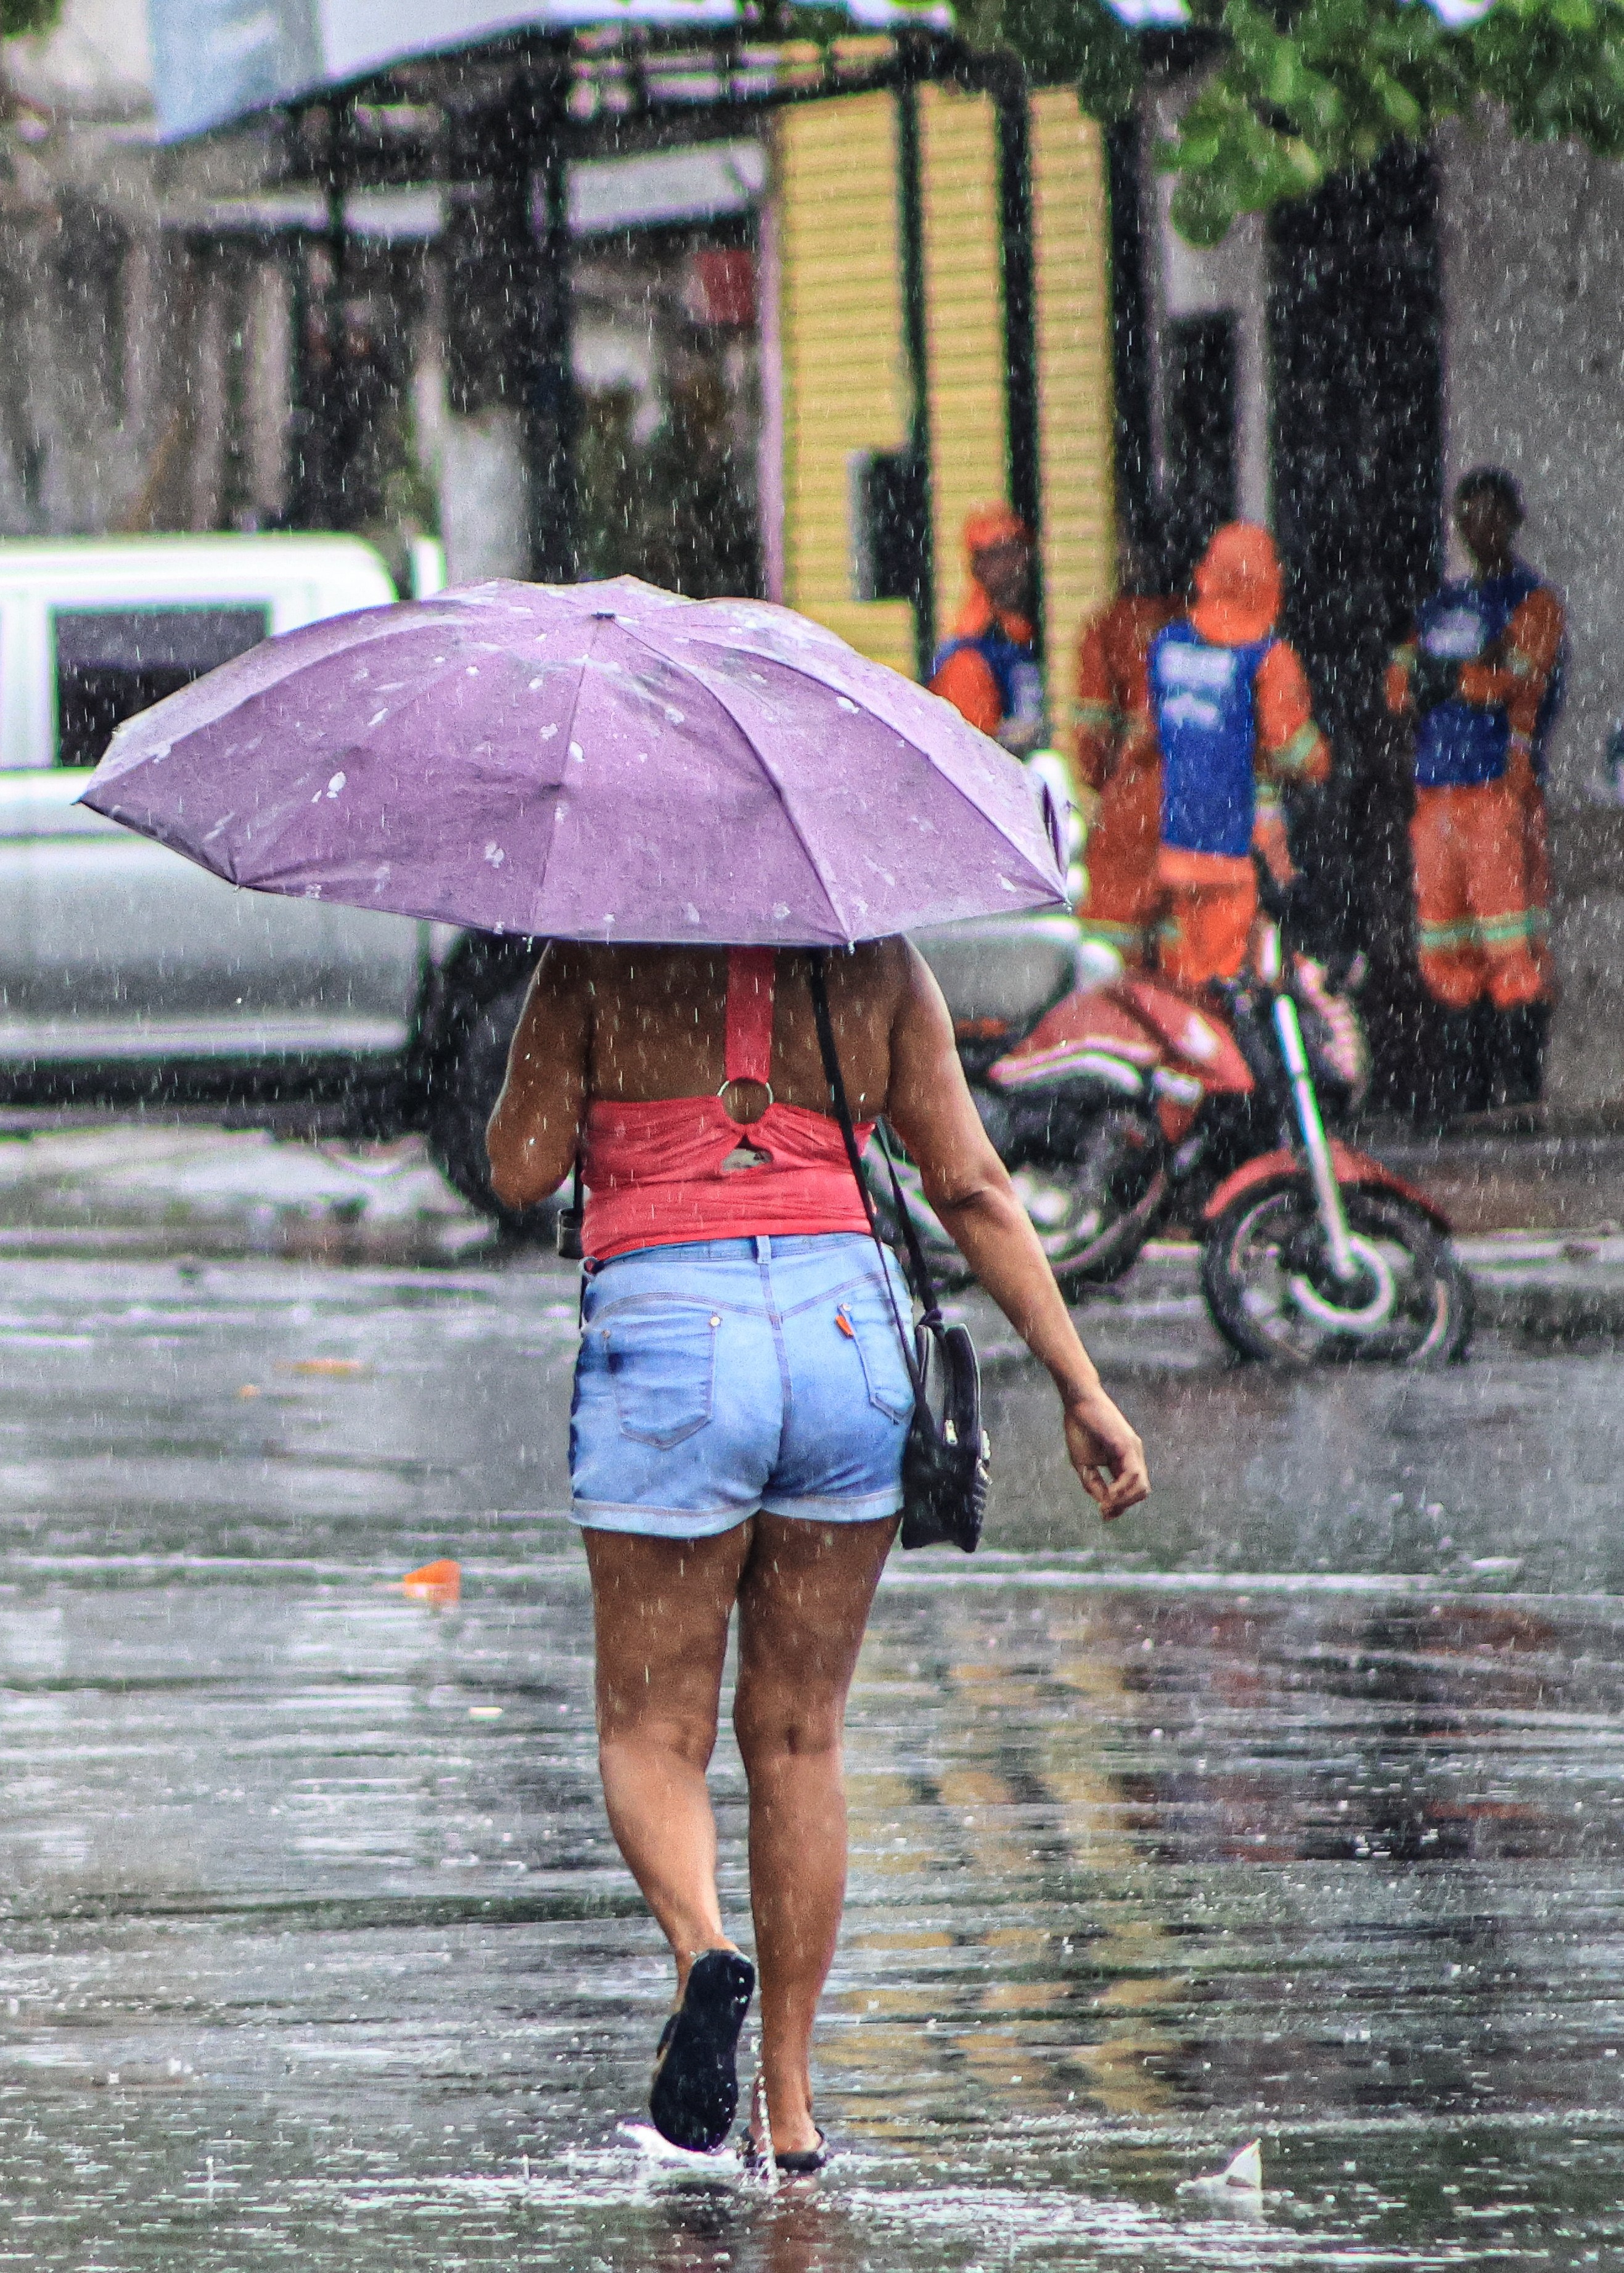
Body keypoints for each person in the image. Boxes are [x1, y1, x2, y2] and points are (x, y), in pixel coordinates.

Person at [484, 940, 1149, 2172]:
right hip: (846, 1337)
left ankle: (701, 1954)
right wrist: (1079, 1386)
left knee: (650, 1729)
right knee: (799, 1734)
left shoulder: (592, 960)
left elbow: (518, 1169)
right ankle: (785, 2106)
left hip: (673, 1333)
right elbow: (970, 1186)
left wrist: (600, 1089)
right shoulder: (874, 964)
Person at [1387, 467, 1562, 1112]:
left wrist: (1454, 678)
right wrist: (1471, 671)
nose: (1478, 528)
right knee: (1445, 947)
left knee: (1510, 946)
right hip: (1436, 794)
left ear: (1512, 519)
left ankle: (1517, 1096)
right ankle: (1465, 1095)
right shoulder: (1441, 604)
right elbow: (1400, 688)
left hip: (1497, 790)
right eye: (1467, 515)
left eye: (1490, 513)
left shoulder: (1532, 600)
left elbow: (1518, 682)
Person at [1133, 524, 1324, 989]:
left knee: (1187, 981)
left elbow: (1148, 735)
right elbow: (1294, 752)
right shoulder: (1266, 656)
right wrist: (1322, 760)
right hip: (1241, 851)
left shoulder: (1167, 647)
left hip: (1177, 846)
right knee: (1237, 985)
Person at [1069, 526, 1187, 968]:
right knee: (1185, 949)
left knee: (1113, 953)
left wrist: (1112, 787)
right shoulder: (1200, 627)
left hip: (1135, 798)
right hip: (1201, 800)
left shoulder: (1108, 628)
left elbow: (1092, 741)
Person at [927, 504, 1049, 753]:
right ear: (978, 566)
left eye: (1021, 549)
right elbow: (970, 755)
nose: (1019, 563)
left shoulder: (1023, 635)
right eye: (1002, 553)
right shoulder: (969, 655)